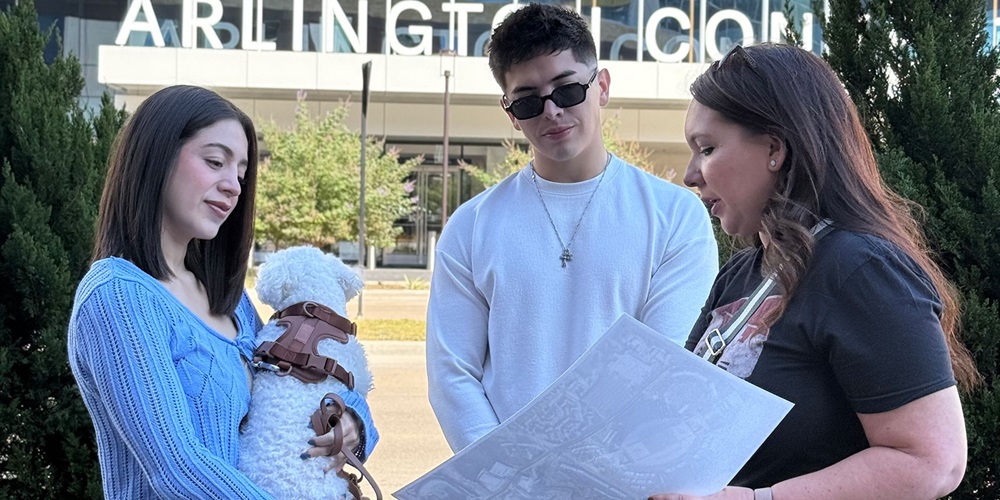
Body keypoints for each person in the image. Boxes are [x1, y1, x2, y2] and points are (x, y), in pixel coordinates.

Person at [651, 43, 980, 500]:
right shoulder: (739, 276)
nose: (691, 174)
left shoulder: (860, 269)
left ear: (773, 148)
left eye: (706, 148)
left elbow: (933, 461)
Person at [426, 3, 719, 453]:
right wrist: (506, 477)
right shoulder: (471, 226)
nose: (551, 112)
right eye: (527, 101)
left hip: (628, 478)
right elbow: (452, 374)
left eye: (566, 90)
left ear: (600, 86)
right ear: (510, 113)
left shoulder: (676, 216)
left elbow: (664, 362)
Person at [66, 85, 377, 498]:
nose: (233, 185)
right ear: (155, 158)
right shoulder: (117, 297)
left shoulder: (231, 305)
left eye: (241, 173)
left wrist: (354, 424)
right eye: (215, 162)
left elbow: (306, 385)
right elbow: (178, 468)